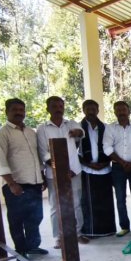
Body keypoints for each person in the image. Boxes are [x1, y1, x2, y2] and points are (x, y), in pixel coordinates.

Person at [0, 98, 47, 256]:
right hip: (16, 184)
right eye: (15, 110)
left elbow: (37, 156)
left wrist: (41, 176)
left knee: (35, 217)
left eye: (21, 110)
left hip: (34, 182)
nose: (19, 113)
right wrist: (11, 183)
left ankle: (33, 246)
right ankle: (21, 251)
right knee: (17, 220)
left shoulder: (30, 132)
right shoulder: (1, 134)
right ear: (6, 112)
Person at [37, 96, 88, 248]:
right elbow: (43, 153)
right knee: (55, 206)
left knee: (76, 204)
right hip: (54, 174)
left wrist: (78, 132)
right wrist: (60, 170)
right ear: (48, 109)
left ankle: (78, 233)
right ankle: (58, 237)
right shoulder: (42, 129)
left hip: (74, 172)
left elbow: (81, 132)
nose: (58, 108)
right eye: (54, 106)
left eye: (61, 106)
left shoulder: (71, 124)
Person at [103, 100, 131, 237]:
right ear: (115, 112)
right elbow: (107, 148)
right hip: (117, 168)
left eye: (124, 109)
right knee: (120, 199)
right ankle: (124, 227)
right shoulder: (110, 128)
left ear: (129, 111)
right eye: (118, 110)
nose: (121, 112)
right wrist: (122, 163)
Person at [78, 99, 115, 238]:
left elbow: (112, 146)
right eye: (88, 109)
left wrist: (106, 163)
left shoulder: (106, 128)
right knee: (89, 202)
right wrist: (88, 164)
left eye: (94, 109)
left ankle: (108, 230)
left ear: (98, 110)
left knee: (106, 202)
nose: (91, 111)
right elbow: (75, 151)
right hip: (87, 170)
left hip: (105, 170)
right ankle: (90, 231)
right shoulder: (78, 128)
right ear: (83, 110)